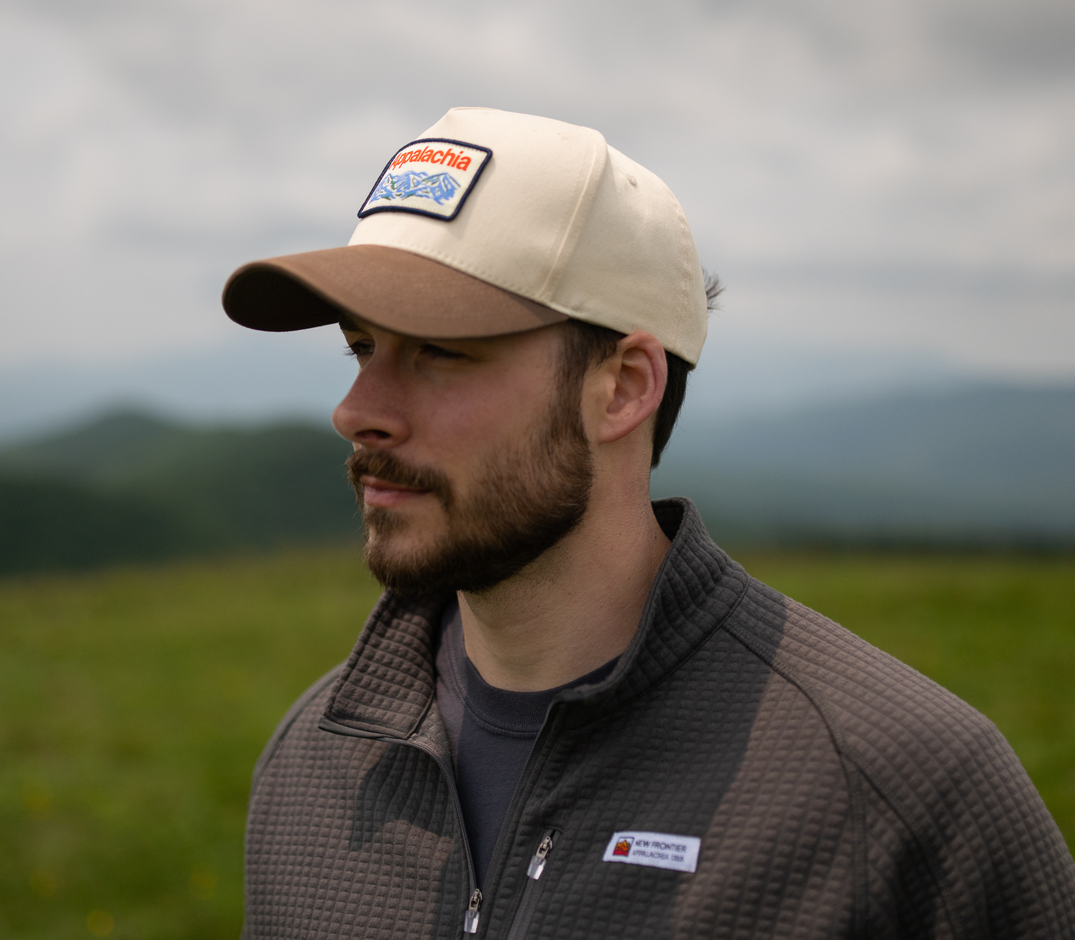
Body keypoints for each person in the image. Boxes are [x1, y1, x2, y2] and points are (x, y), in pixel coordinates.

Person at [222, 107, 1075, 939]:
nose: (355, 410)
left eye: (440, 350)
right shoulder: (315, 762)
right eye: (361, 348)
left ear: (625, 386)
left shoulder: (898, 789)